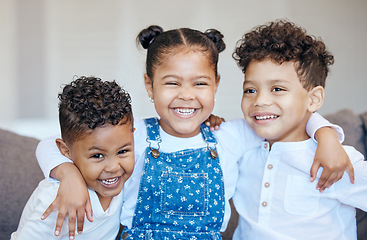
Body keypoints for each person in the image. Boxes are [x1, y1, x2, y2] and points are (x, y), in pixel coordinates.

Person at [36, 26, 352, 240]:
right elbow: (53, 144)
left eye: (199, 83)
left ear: (216, 83)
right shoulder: (134, 136)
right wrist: (69, 175)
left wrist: (324, 133)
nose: (186, 95)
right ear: (150, 85)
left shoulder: (231, 135)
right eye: (172, 83)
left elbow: (280, 120)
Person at [231, 19, 366, 239]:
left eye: (277, 88)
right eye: (250, 90)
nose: (260, 100)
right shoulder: (242, 146)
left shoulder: (335, 161)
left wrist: (326, 135)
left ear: (314, 99)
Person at [11, 76, 135, 240]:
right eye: (97, 156)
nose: (113, 167)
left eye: (122, 151)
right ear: (65, 150)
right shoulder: (55, 199)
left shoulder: (122, 182)